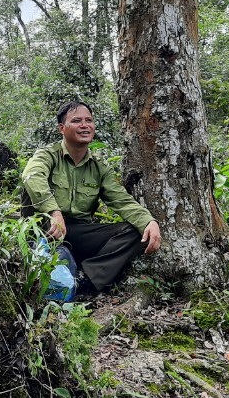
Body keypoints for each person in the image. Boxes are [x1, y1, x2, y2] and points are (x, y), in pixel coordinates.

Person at [22, 101, 163, 298]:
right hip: (44, 230)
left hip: (78, 231)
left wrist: (149, 221)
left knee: (135, 232)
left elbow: (122, 200)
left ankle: (85, 280)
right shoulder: (47, 156)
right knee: (58, 265)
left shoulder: (99, 169)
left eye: (89, 120)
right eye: (76, 120)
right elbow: (32, 176)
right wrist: (54, 212)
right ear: (61, 128)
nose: (84, 125)